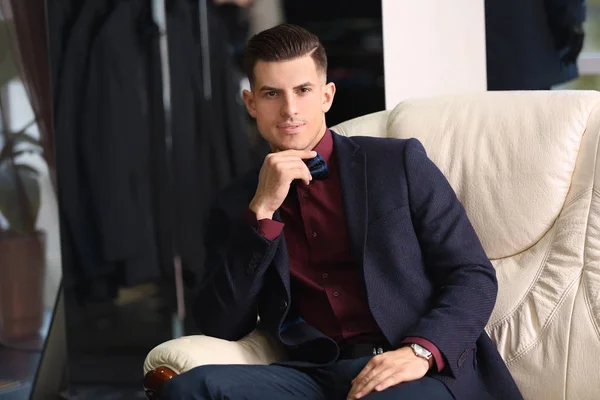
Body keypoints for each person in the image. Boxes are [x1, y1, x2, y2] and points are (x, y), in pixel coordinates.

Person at [162, 24, 524, 400]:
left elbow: (473, 275)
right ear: (251, 103)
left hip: (413, 370)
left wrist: (420, 352)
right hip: (311, 376)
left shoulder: (397, 163)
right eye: (272, 93)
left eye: (303, 90)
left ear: (326, 96)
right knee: (189, 389)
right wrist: (263, 211)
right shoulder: (237, 202)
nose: (289, 109)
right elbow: (221, 323)